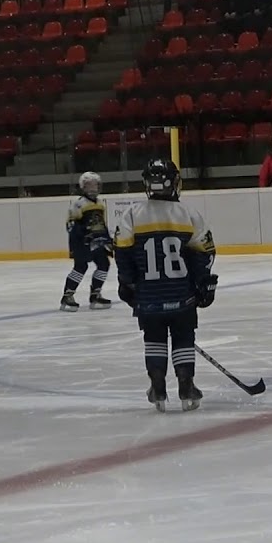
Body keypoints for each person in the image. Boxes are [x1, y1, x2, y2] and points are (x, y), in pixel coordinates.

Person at [113, 159, 218, 412]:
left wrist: (127, 282)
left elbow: (122, 252)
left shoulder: (131, 214)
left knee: (154, 339)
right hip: (181, 294)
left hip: (148, 295)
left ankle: (158, 386)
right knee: (183, 337)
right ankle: (186, 385)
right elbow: (204, 253)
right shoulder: (188, 213)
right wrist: (202, 283)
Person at [61, 172, 113, 311]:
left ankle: (95, 294)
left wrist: (107, 239)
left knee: (104, 264)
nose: (93, 188)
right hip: (81, 243)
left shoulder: (100, 204)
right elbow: (71, 225)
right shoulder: (79, 204)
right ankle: (67, 296)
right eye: (89, 185)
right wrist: (83, 235)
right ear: (83, 187)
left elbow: (101, 224)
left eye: (95, 185)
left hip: (97, 242)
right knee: (80, 267)